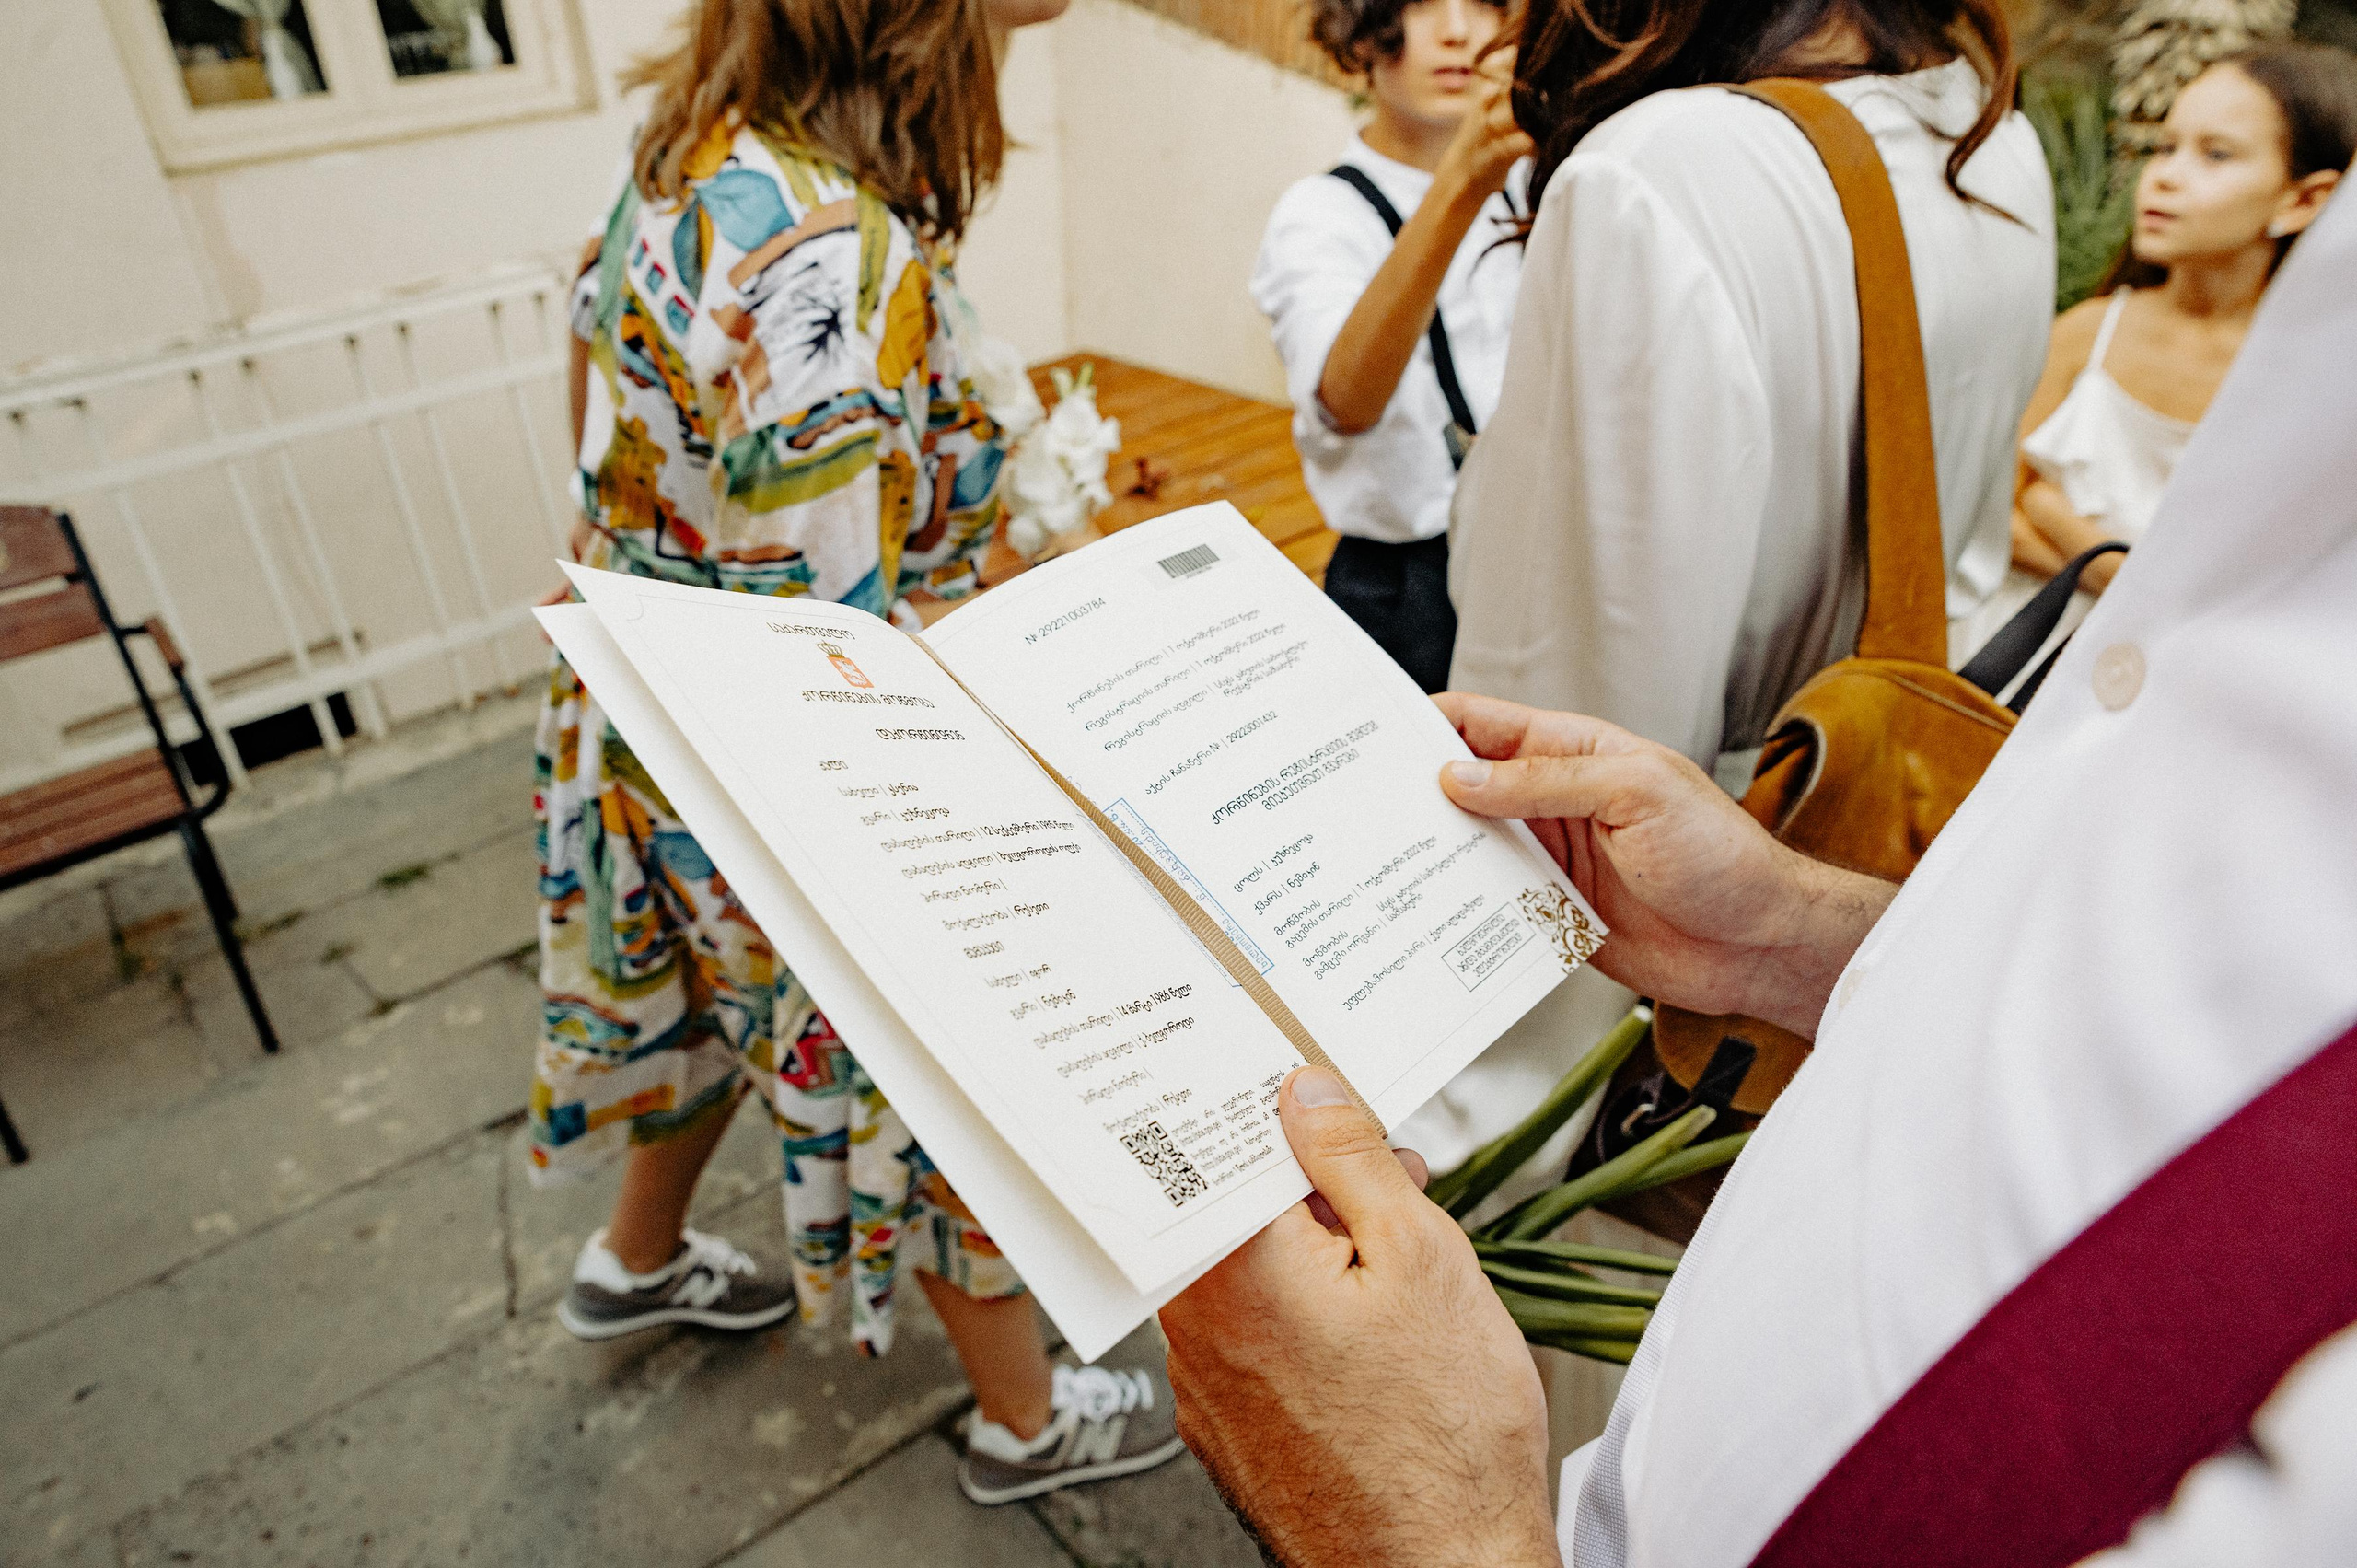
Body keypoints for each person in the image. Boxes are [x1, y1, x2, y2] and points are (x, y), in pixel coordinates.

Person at [1158, 167, 2357, 1566]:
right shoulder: (2010, 175)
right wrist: (1798, 934)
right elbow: (2192, 992)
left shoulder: (1639, 180)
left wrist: (1415, 1528)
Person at [528, 0, 1180, 1506]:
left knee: (703, 992)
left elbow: (592, 408)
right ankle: (1025, 1417)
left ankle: (634, 1260)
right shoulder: (833, 255)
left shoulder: (703, 150)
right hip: (785, 759)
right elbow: (832, 651)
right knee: (937, 1077)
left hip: (653, 712)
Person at [1397, 0, 2053, 1210]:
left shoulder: (1662, 171)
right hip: (1871, 872)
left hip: (1645, 1013)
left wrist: (1447, 1161)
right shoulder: (1983, 128)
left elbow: (1566, 752)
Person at [1979, 41, 2355, 658]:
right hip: (2013, 657)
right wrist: (2143, 582)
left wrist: (2052, 511)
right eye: (2165, 146)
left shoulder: (2308, 384)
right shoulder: (2089, 332)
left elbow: (2262, 592)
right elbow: (1987, 517)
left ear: (2304, 200)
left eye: (2215, 154)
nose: (2166, 176)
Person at [1250, 0, 1532, 696]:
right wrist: (1463, 179)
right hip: (1406, 593)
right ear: (1362, 32)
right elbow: (1344, 403)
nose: (1458, 31)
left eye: (1484, 3)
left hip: (1527, 562)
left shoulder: (1536, 184)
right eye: (1421, 4)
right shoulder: (1321, 214)